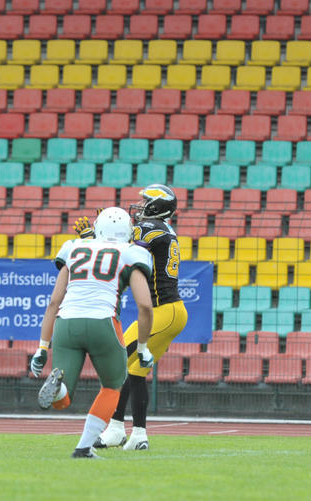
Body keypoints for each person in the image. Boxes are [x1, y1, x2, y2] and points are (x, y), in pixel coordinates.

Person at [30, 207, 155, 459]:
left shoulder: (74, 247)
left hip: (66, 322)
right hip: (103, 321)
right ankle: (84, 447)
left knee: (63, 399)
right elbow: (144, 305)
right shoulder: (131, 252)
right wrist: (142, 348)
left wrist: (42, 347)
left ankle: (58, 389)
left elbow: (53, 302)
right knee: (113, 386)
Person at [73, 184, 187, 451]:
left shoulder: (150, 228)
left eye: (146, 202)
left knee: (116, 362)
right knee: (134, 372)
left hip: (163, 312)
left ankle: (113, 429)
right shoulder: (162, 229)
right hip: (168, 312)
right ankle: (137, 435)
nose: (140, 206)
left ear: (157, 207)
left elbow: (120, 253)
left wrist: (93, 236)